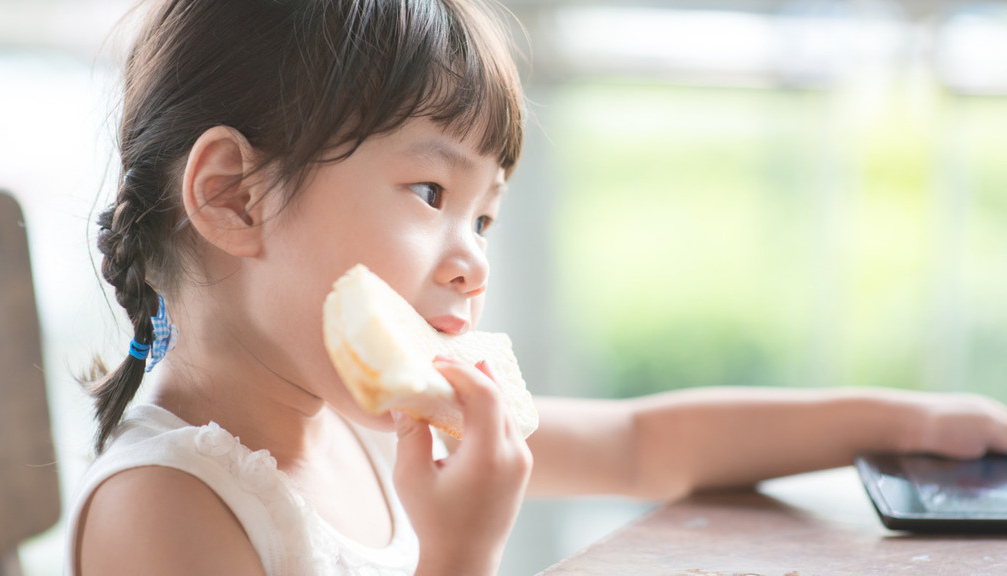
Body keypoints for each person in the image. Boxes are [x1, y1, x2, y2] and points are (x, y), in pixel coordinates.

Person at [67, 0, 1007, 574]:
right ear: (235, 196)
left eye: (484, 217)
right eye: (430, 192)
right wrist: (461, 557)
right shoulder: (165, 506)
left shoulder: (350, 418)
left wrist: (906, 424)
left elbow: (644, 447)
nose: (473, 258)